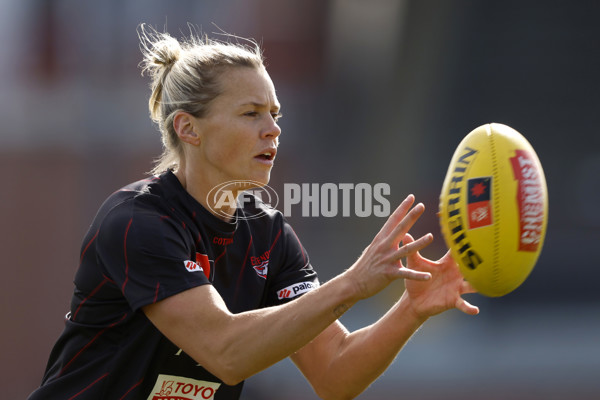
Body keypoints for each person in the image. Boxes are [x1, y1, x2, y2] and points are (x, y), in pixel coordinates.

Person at [28, 24, 479, 400]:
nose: (273, 130)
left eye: (275, 113)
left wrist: (411, 310)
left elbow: (335, 371)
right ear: (188, 128)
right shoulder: (137, 223)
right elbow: (225, 352)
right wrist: (353, 283)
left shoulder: (268, 236)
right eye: (251, 113)